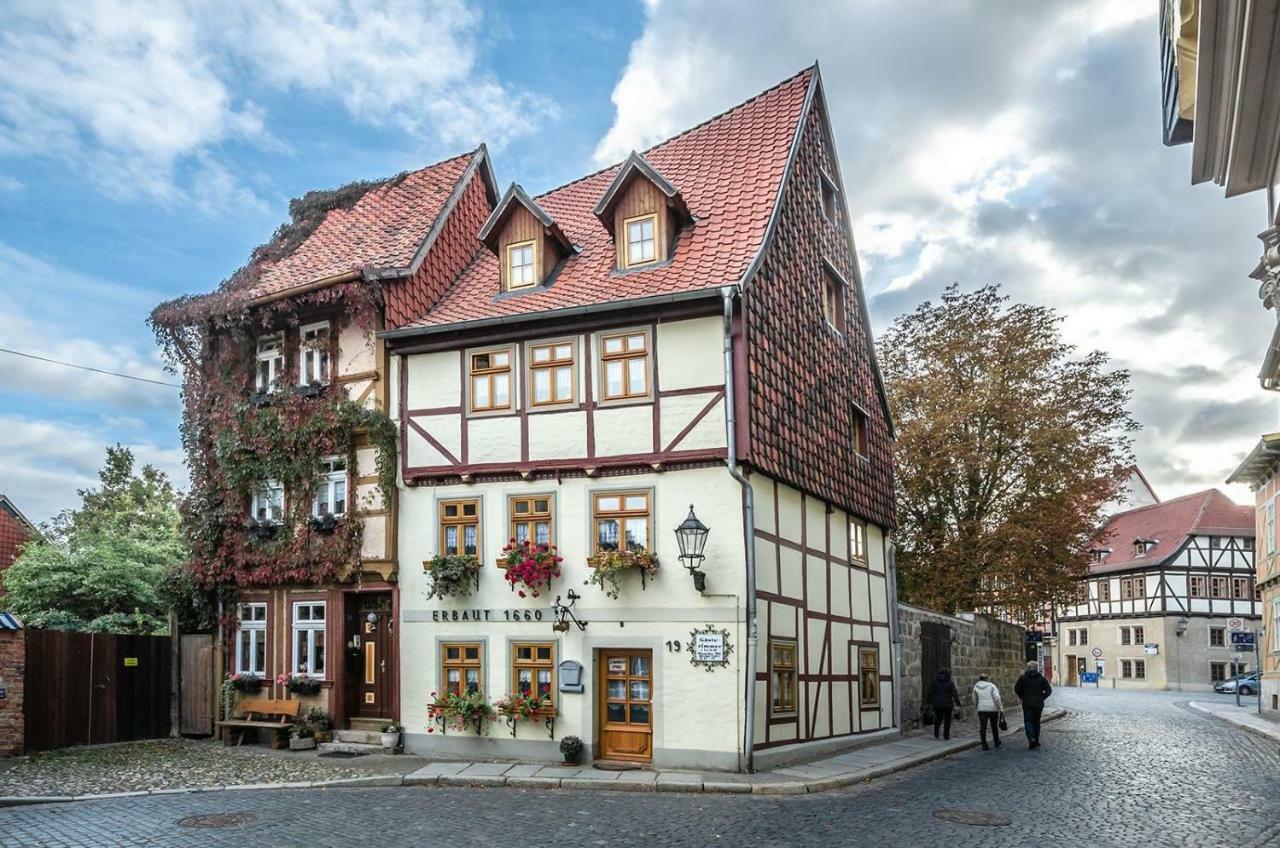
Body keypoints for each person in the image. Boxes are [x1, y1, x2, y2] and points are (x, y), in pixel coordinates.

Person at [1013, 660, 1053, 749]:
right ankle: (1036, 740)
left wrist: (1023, 697)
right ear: (1036, 668)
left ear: (1028, 668)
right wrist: (1042, 697)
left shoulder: (1023, 678)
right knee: (1036, 722)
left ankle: (1032, 738)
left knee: (1028, 721)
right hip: (1038, 704)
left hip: (1027, 703)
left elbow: (1017, 689)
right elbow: (1048, 691)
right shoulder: (1041, 678)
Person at [927, 668, 961, 740]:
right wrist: (958, 703)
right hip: (948, 704)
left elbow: (930, 693)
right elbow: (954, 694)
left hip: (937, 704)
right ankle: (946, 735)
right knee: (947, 721)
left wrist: (929, 702)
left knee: (938, 719)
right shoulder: (950, 683)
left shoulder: (934, 682)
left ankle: (936, 733)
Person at [972, 673, 1003, 750]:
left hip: (982, 709)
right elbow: (997, 698)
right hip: (992, 709)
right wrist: (1000, 707)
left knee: (983, 727)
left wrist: (976, 707)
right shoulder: (992, 686)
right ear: (987, 679)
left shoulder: (976, 687)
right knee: (994, 726)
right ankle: (996, 741)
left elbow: (974, 699)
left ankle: (984, 744)